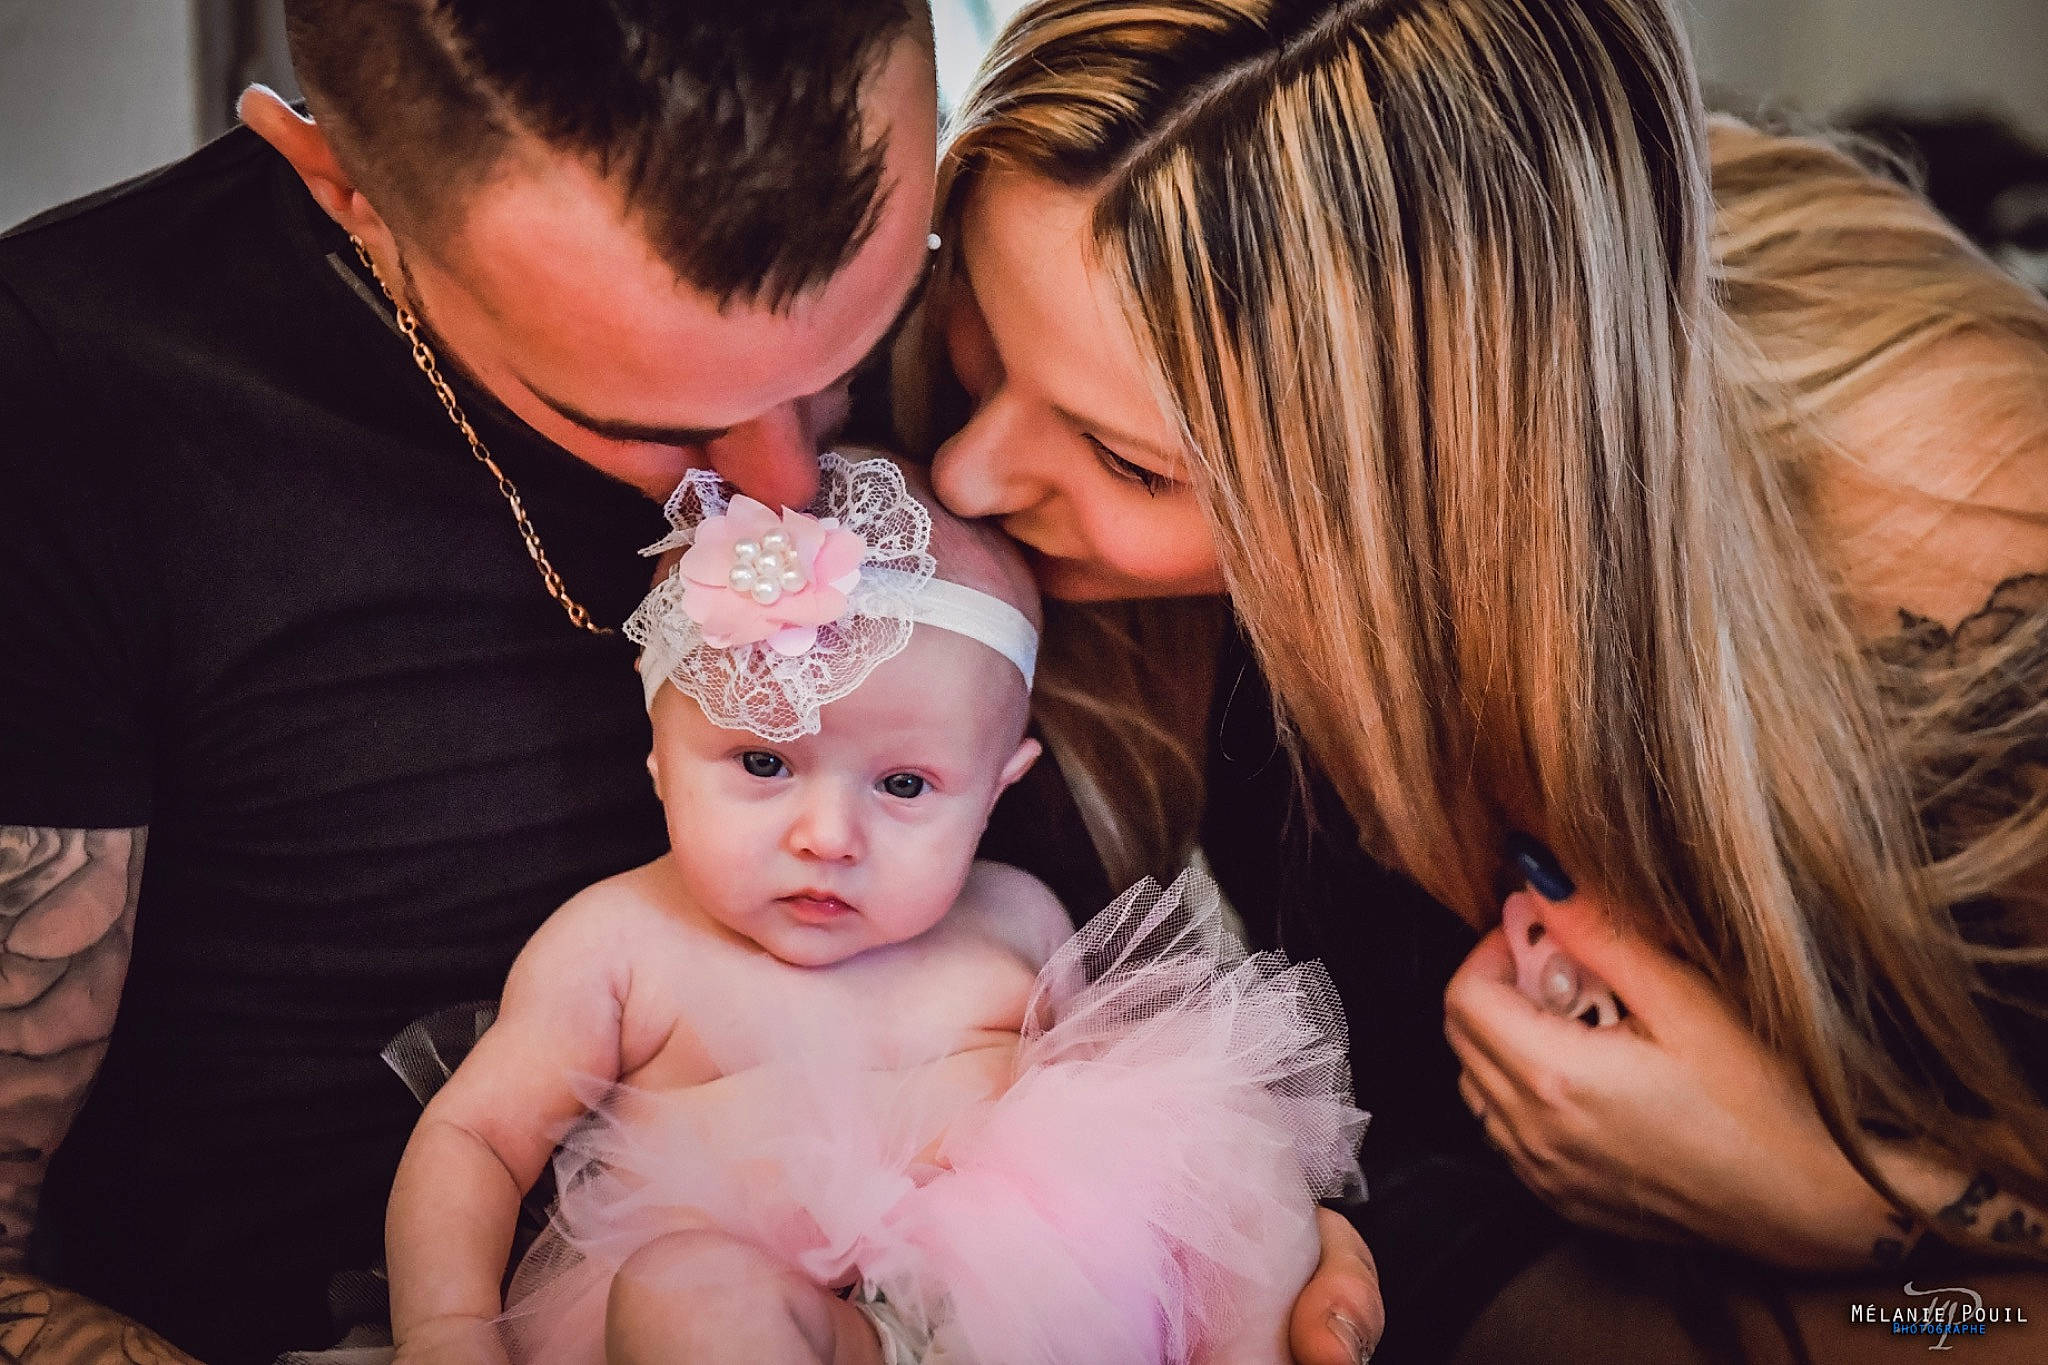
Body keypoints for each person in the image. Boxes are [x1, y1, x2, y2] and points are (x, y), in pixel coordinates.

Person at [903, 0, 2048, 1361]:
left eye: (1131, 461)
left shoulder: (1960, 561)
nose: (968, 474)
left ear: (1435, 475)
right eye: (974, 316)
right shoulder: (1024, 506)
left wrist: (1859, 1205)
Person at [0, 5, 934, 1361]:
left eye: (854, 347)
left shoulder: (988, 302)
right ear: (348, 193)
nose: (795, 496)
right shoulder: (64, 404)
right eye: (651, 420)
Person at [379, 455, 1363, 1365]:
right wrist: (448, 1330)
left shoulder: (1013, 916)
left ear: (992, 793)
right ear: (658, 757)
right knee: (686, 1298)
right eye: (763, 762)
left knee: (1229, 1127)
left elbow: (1126, 1100)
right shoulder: (621, 943)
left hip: (1027, 1319)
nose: (827, 835)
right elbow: (477, 1138)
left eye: (902, 786)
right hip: (780, 1324)